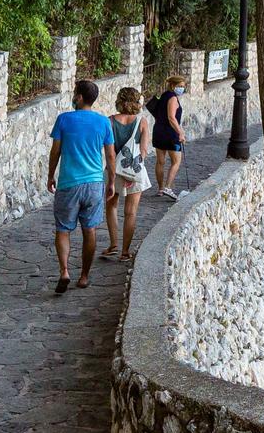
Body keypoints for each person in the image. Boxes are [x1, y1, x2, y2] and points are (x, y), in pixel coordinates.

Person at [49, 78, 116, 294]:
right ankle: (85, 276)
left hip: (68, 183)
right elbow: (110, 155)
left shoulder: (64, 120)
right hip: (94, 183)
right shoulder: (103, 122)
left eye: (74, 93)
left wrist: (51, 175)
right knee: (90, 230)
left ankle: (65, 271)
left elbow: (55, 151)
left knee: (62, 229)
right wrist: (112, 181)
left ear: (79, 97)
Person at [106, 86, 153, 261]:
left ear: (119, 100)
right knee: (130, 212)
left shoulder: (109, 121)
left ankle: (113, 244)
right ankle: (125, 252)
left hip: (114, 170)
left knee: (111, 206)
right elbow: (143, 151)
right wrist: (130, 173)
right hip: (134, 171)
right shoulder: (142, 122)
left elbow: (109, 152)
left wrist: (113, 174)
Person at [151, 74, 187, 200]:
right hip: (170, 133)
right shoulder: (172, 98)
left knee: (160, 161)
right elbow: (171, 118)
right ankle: (167, 187)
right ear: (173, 85)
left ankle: (160, 189)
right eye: (180, 86)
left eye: (183, 86)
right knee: (176, 161)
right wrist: (180, 132)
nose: (182, 88)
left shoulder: (163, 96)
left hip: (158, 131)